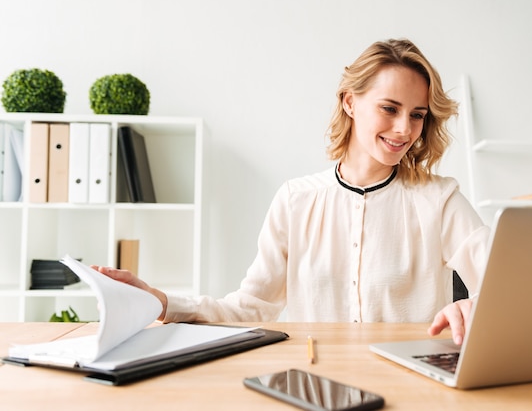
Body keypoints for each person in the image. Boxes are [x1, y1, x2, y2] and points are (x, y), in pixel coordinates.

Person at [95, 38, 490, 345]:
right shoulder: (296, 200)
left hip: (412, 390)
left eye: (417, 115)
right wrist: (162, 302)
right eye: (390, 108)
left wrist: (478, 306)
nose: (405, 128)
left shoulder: (440, 200)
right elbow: (250, 308)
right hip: (317, 383)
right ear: (350, 102)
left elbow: (503, 287)